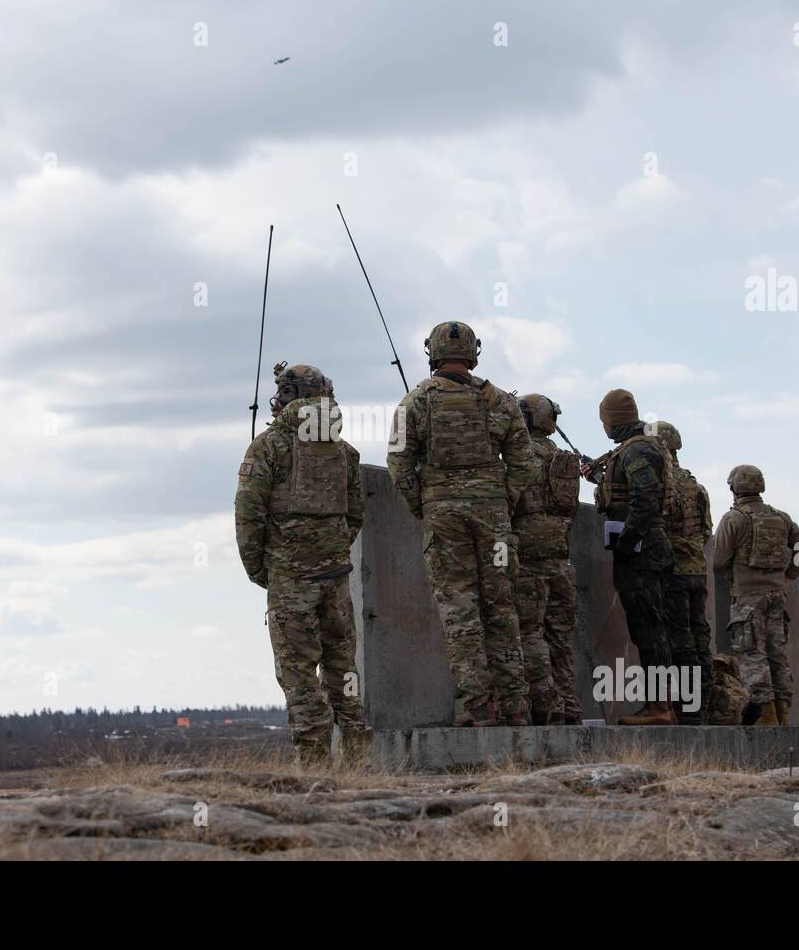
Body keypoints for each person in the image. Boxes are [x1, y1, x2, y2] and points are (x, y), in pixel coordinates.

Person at [387, 321, 537, 726]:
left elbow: (399, 463)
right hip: (494, 517)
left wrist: (425, 503)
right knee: (502, 607)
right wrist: (502, 496)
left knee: (460, 611)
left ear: (432, 353)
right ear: (474, 353)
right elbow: (525, 462)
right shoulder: (500, 401)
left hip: (444, 513)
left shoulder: (416, 402)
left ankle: (479, 706)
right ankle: (517, 707)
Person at [234, 363, 370, 764]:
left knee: (297, 672)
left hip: (290, 578)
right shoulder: (344, 452)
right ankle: (359, 754)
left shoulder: (270, 446)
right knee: (343, 668)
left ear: (288, 396)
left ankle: (313, 761)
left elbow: (248, 513)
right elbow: (356, 513)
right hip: (336, 577)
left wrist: (261, 569)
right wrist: (332, 551)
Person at [582, 389, 676, 725]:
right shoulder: (642, 446)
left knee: (649, 630)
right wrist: (597, 475)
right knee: (651, 629)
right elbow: (630, 486)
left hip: (641, 552)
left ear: (611, 421)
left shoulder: (635, 450)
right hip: (649, 549)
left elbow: (646, 494)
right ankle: (661, 704)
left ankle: (660, 707)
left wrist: (628, 538)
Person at [711, 465, 799, 725]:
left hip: (747, 597)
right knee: (776, 652)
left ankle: (766, 713)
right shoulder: (780, 517)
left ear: (734, 487)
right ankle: (783, 712)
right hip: (777, 595)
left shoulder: (733, 519)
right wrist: (790, 574)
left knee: (751, 653)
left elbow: (720, 561)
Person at [512, 393, 584, 724]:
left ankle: (546, 703)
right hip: (561, 559)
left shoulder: (519, 455)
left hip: (529, 558)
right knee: (560, 636)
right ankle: (570, 704)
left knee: (530, 631)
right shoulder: (564, 458)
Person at [654, 421, 713, 725]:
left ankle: (688, 710)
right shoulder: (695, 485)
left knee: (681, 642)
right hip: (698, 570)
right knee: (701, 637)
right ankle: (705, 705)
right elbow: (706, 531)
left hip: (674, 569)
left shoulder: (664, 482)